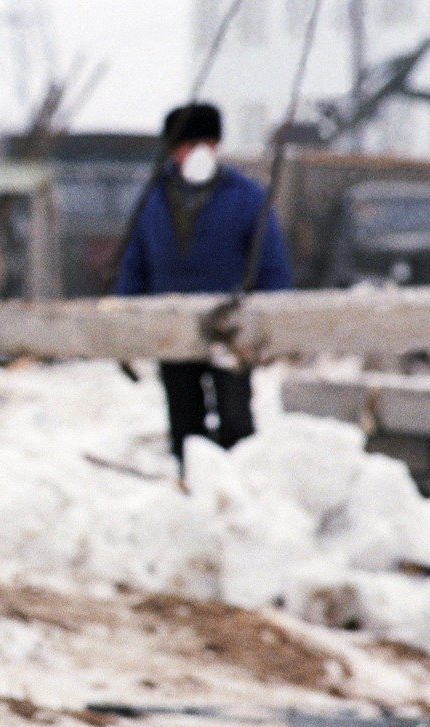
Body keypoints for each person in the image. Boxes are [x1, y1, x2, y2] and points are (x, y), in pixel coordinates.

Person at [116, 103, 292, 466]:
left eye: (204, 143)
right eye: (186, 145)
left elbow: (271, 263)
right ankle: (193, 485)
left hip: (230, 327)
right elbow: (135, 261)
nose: (195, 153)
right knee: (183, 417)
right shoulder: (154, 197)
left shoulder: (245, 197)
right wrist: (124, 320)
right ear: (173, 150)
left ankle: (238, 484)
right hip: (173, 324)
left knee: (235, 415)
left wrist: (274, 321)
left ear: (216, 146)